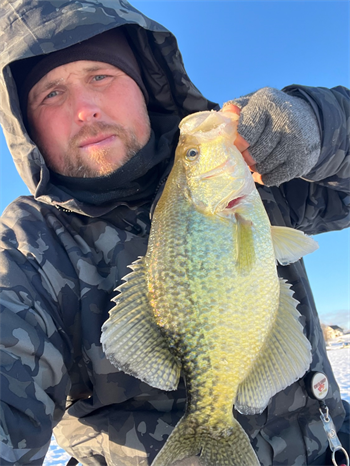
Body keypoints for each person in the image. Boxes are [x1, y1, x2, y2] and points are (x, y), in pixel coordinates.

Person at [0, 1, 349, 465]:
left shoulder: (256, 172)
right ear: (26, 127)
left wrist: (321, 126)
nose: (85, 109)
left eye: (100, 76)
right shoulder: (26, 250)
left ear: (144, 85)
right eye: (51, 94)